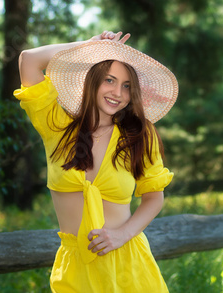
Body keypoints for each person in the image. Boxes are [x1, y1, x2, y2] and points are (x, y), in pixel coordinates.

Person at [14, 31, 178, 292]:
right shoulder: (56, 125)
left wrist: (121, 236)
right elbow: (29, 60)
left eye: (126, 85)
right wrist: (90, 47)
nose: (118, 92)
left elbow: (154, 198)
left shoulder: (139, 135)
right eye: (109, 80)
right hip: (75, 269)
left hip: (129, 265)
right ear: (91, 80)